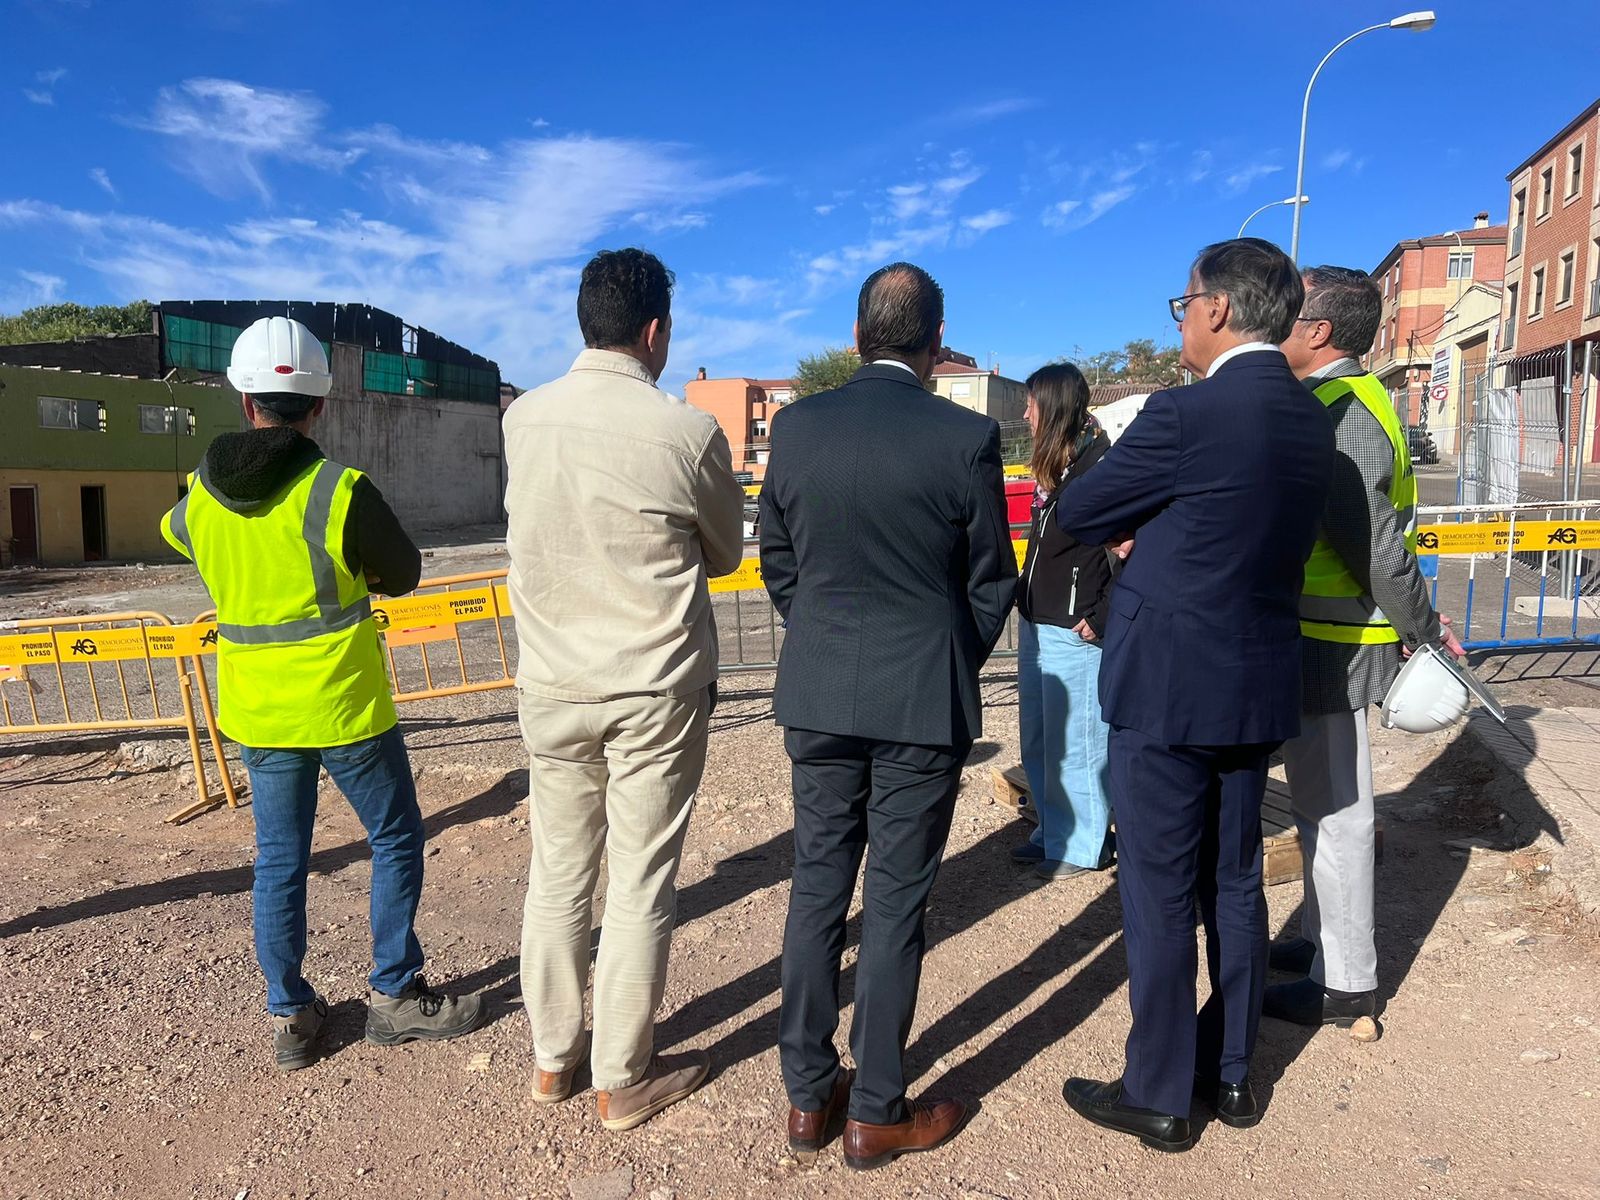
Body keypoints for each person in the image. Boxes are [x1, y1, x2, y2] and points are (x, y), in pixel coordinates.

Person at [1055, 239, 1335, 1151]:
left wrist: (1148, 531)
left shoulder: (1183, 415)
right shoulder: (1308, 417)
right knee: (1238, 882)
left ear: (1216, 309)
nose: (1179, 321)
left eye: (1182, 305)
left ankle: (1160, 1092)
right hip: (1255, 681)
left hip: (1169, 685)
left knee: (1161, 890)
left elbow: (1079, 514)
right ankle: (1233, 1074)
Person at [160, 316, 485, 1072]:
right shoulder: (338, 489)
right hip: (343, 706)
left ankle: (291, 1016)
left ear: (246, 403)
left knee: (279, 859)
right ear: (319, 407)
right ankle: (395, 997)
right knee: (395, 837)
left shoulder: (198, 498)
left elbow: (178, 533)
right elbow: (402, 573)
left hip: (259, 713)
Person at [760, 262, 1016, 1171]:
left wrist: (826, 637)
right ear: (936, 339)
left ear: (859, 330)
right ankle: (874, 1109)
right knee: (897, 903)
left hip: (820, 694)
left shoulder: (795, 428)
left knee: (817, 888)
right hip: (920, 702)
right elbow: (992, 582)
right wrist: (946, 657)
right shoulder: (966, 435)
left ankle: (805, 1095)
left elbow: (778, 562)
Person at [503, 248, 744, 1132]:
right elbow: (723, 552)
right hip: (653, 690)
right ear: (654, 331)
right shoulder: (684, 432)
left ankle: (551, 1059)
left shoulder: (522, 420)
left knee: (559, 873)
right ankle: (621, 1076)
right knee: (641, 880)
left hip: (554, 687)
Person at [1269, 265, 1465, 1027]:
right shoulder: (1328, 400)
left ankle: (1345, 984)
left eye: (1288, 314)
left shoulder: (1343, 407)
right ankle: (1324, 944)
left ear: (1318, 332)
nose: (1274, 322)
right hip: (1324, 632)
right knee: (1322, 808)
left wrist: (1422, 627)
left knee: (1338, 813)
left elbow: (1376, 545)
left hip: (1337, 639)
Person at [1013, 362, 1117, 881]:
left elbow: (1129, 548)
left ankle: (1081, 845)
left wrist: (1101, 614)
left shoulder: (1100, 469)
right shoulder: (1058, 470)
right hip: (1038, 625)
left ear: (1052, 407)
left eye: (1031, 403)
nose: (1025, 413)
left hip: (1075, 631)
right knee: (1038, 738)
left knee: (1076, 742)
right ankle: (1051, 830)